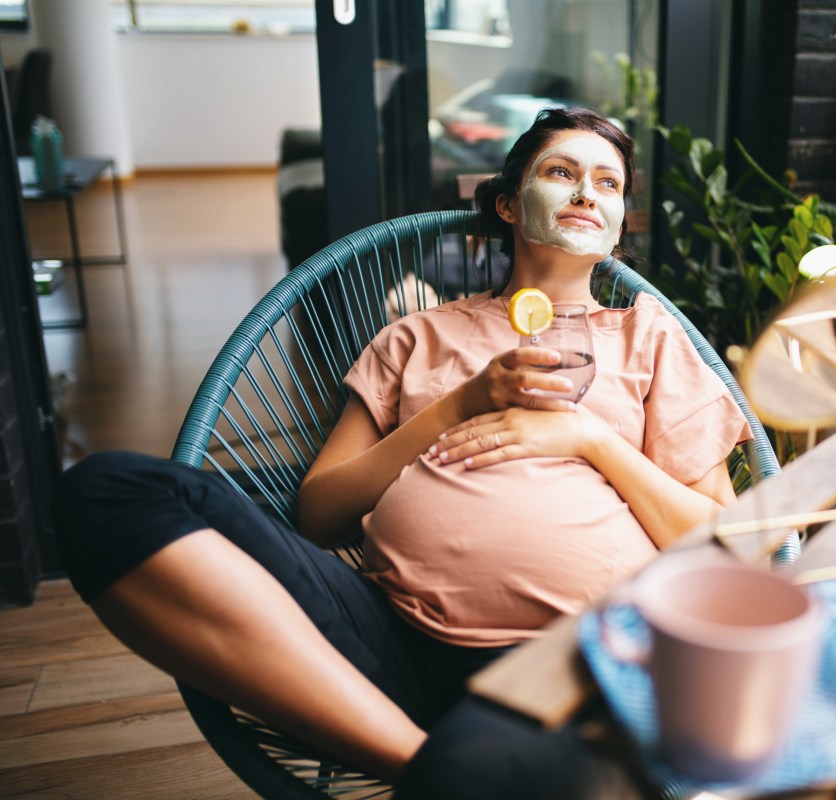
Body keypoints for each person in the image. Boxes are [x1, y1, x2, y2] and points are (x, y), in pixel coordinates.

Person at [53, 107, 750, 796]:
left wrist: (590, 440)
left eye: (607, 183)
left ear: (619, 222)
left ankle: (447, 771)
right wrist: (459, 405)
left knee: (553, 776)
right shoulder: (414, 338)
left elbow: (725, 547)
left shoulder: (648, 338)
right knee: (109, 491)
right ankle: (430, 768)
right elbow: (320, 515)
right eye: (561, 172)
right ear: (508, 205)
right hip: (390, 641)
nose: (583, 193)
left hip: (577, 662)